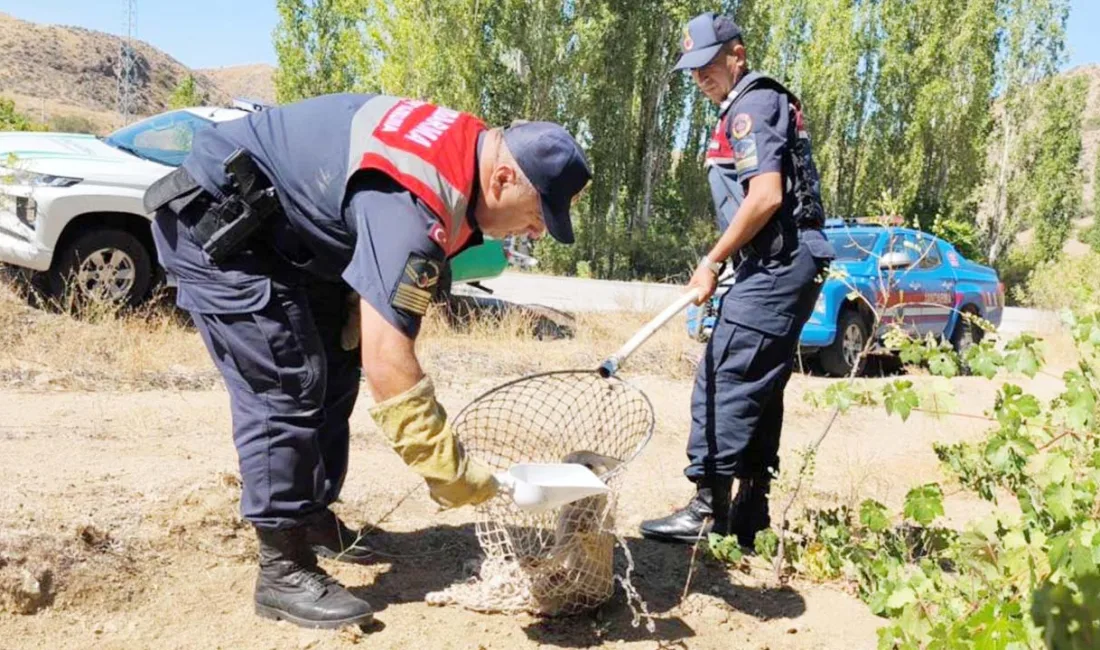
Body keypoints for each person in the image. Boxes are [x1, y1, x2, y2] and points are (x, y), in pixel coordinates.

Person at [144, 94, 591, 629]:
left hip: (288, 237)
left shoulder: (467, 152)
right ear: (502, 181)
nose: (537, 233)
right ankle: (282, 568)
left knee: (337, 360)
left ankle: (310, 517)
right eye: (540, 215)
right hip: (220, 229)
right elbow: (391, 366)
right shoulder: (420, 200)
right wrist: (446, 466)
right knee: (286, 385)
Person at [639, 13, 835, 548]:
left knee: (724, 373)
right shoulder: (750, 103)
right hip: (779, 261)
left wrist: (712, 259)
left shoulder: (750, 103)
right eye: (693, 70)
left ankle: (706, 508)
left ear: (737, 54)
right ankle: (750, 514)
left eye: (708, 64)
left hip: (779, 262)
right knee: (759, 383)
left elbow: (766, 195)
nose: (701, 77)